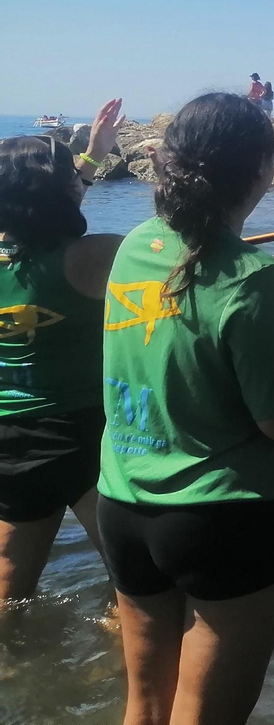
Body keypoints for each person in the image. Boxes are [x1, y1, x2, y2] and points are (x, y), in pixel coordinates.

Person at [98, 93, 274, 725]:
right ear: (262, 170)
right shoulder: (251, 273)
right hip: (227, 516)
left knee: (147, 704)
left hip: (125, 505)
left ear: (165, 162)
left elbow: (181, 339)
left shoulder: (135, 244)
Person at [0, 99, 125, 603]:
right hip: (83, 431)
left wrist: (92, 157)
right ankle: (123, 667)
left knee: (10, 582)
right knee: (134, 576)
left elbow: (43, 213)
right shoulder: (101, 255)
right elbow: (180, 244)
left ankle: (13, 669)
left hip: (9, 436)